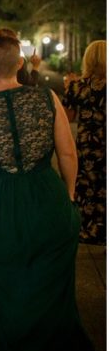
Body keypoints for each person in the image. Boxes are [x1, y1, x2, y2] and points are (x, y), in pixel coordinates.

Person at [0, 30, 94, 351]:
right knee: (47, 281)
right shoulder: (47, 99)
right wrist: (69, 195)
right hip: (47, 197)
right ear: (19, 63)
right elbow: (68, 154)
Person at [62, 39, 106, 245]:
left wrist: (67, 89)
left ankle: (90, 229)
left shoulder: (78, 86)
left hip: (89, 146)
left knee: (89, 186)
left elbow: (67, 117)